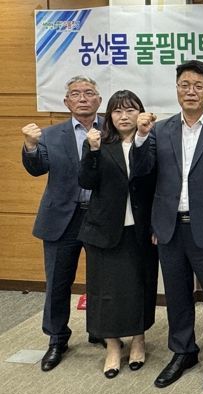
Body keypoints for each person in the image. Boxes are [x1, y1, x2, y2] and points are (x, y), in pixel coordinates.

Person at [131, 60, 203, 391]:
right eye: (185, 85)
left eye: (198, 86)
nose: (191, 91)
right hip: (170, 228)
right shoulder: (159, 129)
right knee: (177, 297)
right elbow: (143, 174)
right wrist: (140, 137)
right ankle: (183, 351)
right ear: (177, 89)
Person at [21, 75, 103, 371]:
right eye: (76, 94)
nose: (83, 98)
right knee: (57, 281)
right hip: (62, 219)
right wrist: (30, 146)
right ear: (66, 102)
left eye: (89, 93)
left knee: (103, 278)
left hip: (100, 217)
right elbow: (37, 168)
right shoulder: (50, 135)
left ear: (99, 100)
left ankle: (100, 330)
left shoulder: (111, 131)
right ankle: (57, 338)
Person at [77, 90, 158, 378]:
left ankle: (138, 340)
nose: (124, 116)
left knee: (139, 286)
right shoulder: (98, 142)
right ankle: (112, 345)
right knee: (106, 292)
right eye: (117, 111)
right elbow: (86, 181)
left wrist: (142, 138)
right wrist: (93, 151)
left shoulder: (150, 142)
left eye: (130, 110)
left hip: (140, 230)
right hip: (104, 231)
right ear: (109, 115)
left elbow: (152, 179)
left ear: (141, 113)